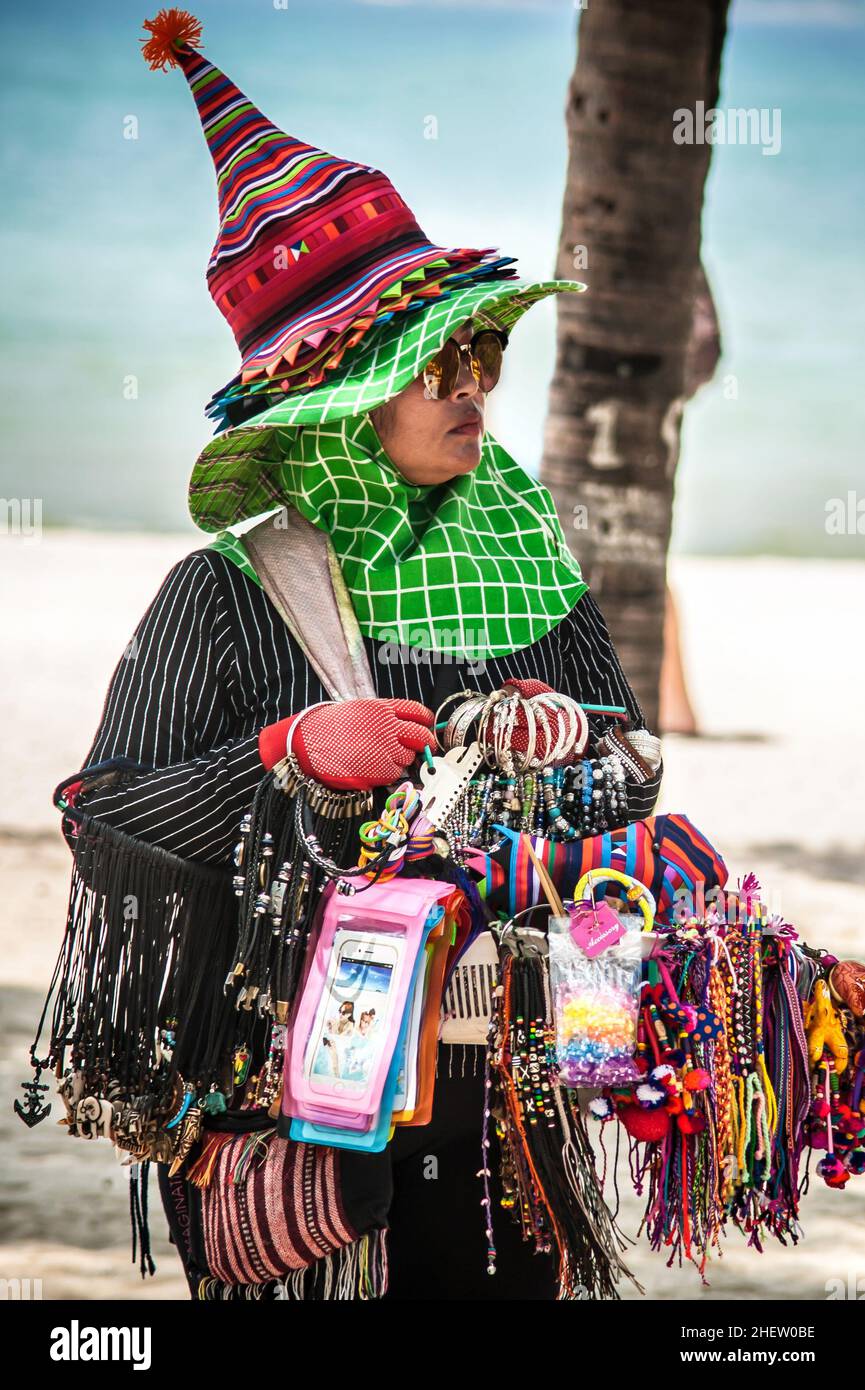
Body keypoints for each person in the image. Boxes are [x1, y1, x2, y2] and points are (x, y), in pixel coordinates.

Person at [50, 10, 662, 1300]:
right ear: (334, 398)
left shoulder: (524, 560)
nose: (474, 385)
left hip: (506, 1070)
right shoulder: (222, 595)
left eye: (482, 349)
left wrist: (566, 746)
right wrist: (286, 755)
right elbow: (104, 819)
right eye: (431, 360)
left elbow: (635, 770)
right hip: (293, 1084)